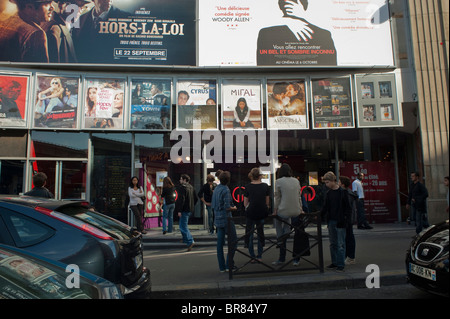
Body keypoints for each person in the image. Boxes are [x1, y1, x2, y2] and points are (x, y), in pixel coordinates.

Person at [256, 0, 337, 66]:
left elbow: (331, 66)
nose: (289, 5)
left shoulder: (323, 34)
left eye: (293, 2)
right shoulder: (266, 33)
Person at [273, 163, 303, 265]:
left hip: (284, 211)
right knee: (289, 224)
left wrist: (275, 209)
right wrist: (301, 208)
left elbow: (277, 197)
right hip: (296, 211)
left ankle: (281, 240)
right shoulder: (296, 181)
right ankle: (296, 258)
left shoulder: (278, 181)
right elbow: (299, 196)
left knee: (278, 221)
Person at [321, 171, 352, 272]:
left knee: (340, 244)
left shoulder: (342, 192)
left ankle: (340, 264)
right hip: (332, 220)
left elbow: (348, 207)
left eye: (327, 182)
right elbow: (326, 207)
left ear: (333, 181)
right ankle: (335, 262)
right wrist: (321, 215)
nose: (326, 185)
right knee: (333, 243)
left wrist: (346, 219)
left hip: (340, 221)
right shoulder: (329, 193)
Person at [211, 171, 237, 272]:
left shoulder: (216, 188)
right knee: (233, 241)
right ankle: (229, 264)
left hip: (217, 218)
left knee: (220, 243)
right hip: (226, 218)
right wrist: (234, 208)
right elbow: (227, 207)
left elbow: (214, 204)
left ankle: (222, 266)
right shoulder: (226, 190)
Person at [244, 168, 270, 263]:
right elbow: (267, 201)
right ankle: (259, 255)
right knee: (260, 233)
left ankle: (252, 256)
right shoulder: (265, 186)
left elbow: (245, 202)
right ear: (260, 176)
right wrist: (266, 207)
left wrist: (247, 207)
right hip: (262, 211)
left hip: (251, 212)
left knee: (250, 234)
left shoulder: (248, 186)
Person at [175, 174, 198, 251]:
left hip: (184, 209)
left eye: (181, 179)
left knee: (183, 226)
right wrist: (192, 205)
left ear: (184, 180)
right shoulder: (191, 187)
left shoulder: (182, 188)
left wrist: (179, 210)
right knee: (184, 225)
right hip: (190, 209)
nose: (180, 180)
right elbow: (196, 198)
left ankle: (190, 241)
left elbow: (181, 200)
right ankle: (185, 239)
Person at [339, 175, 358, 265]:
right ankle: (348, 256)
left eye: (338, 182)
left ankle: (350, 257)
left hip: (347, 219)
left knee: (348, 237)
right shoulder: (347, 193)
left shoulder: (347, 194)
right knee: (347, 237)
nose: (337, 184)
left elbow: (349, 209)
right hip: (348, 219)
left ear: (342, 184)